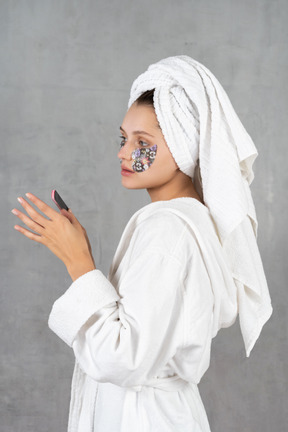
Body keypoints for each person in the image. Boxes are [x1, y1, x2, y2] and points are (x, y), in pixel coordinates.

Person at [11, 55, 273, 432]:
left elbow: (123, 358)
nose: (122, 152)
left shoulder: (169, 228)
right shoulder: (190, 221)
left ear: (185, 144)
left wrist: (79, 262)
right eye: (123, 138)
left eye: (142, 142)